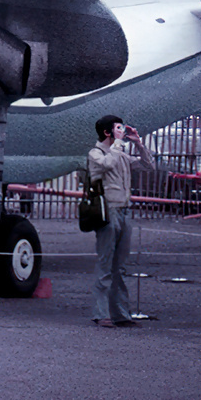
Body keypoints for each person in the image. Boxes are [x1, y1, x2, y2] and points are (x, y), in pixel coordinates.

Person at [87, 114, 156, 328]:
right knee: (105, 264)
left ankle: (121, 313)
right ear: (107, 132)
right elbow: (107, 164)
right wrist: (117, 143)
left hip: (124, 211)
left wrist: (138, 143)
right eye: (118, 128)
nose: (122, 132)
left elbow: (148, 165)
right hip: (108, 211)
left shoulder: (122, 155)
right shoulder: (96, 153)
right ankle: (101, 313)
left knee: (120, 266)